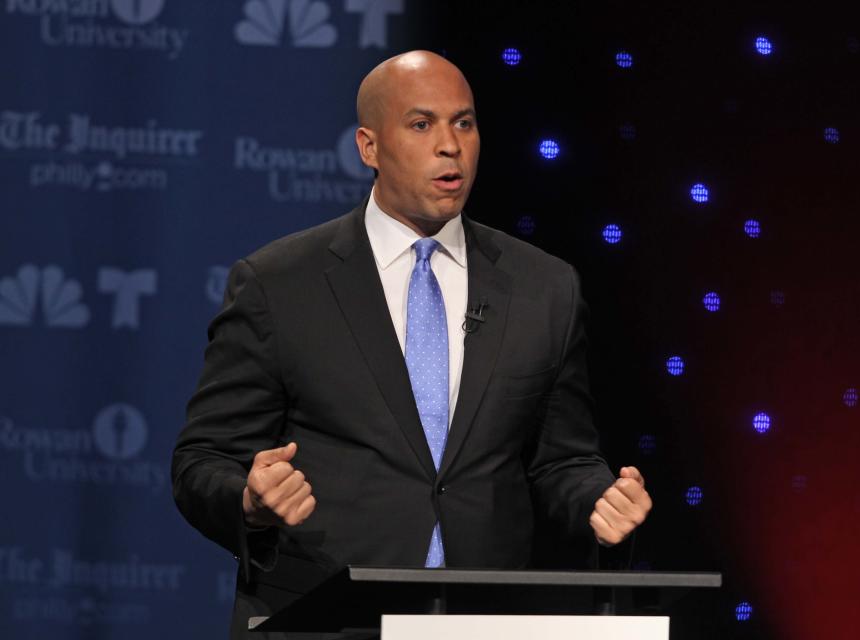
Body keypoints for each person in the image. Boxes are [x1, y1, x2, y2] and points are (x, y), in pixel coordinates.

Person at [171, 50, 652, 636]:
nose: (450, 145)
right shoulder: (279, 283)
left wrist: (598, 499)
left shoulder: (543, 286)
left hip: (481, 619)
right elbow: (203, 460)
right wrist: (248, 500)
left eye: (465, 123)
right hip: (323, 615)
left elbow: (562, 458)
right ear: (369, 147)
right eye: (422, 125)